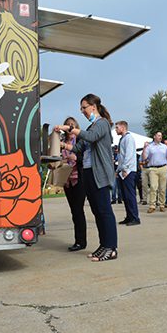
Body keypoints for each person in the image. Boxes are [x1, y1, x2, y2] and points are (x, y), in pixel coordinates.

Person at [56, 94, 118, 262]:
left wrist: (69, 128)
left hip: (100, 174)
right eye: (81, 108)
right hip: (89, 173)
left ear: (93, 107)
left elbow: (90, 138)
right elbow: (77, 147)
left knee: (104, 211)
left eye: (84, 107)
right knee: (97, 211)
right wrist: (60, 144)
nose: (82, 111)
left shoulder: (102, 124)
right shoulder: (92, 127)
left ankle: (111, 247)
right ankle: (103, 245)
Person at [60, 117, 87, 251]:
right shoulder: (62, 142)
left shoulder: (81, 140)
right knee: (74, 211)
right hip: (67, 180)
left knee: (78, 210)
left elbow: (87, 157)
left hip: (79, 179)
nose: (70, 128)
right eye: (67, 126)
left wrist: (77, 157)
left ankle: (80, 242)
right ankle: (79, 240)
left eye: (72, 125)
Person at [115, 121, 140, 226]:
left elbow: (129, 155)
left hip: (128, 171)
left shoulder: (128, 138)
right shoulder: (122, 139)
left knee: (130, 195)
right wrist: (118, 170)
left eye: (117, 127)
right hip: (122, 171)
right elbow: (121, 156)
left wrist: (125, 169)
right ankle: (129, 216)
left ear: (123, 127)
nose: (115, 129)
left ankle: (135, 218)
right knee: (125, 196)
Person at [143, 132, 167, 213]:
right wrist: (144, 148)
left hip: (163, 167)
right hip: (153, 168)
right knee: (153, 187)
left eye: (161, 136)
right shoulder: (150, 146)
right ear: (154, 136)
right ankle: (152, 205)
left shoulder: (164, 147)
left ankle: (162, 204)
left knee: (162, 188)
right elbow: (144, 157)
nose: (160, 137)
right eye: (158, 135)